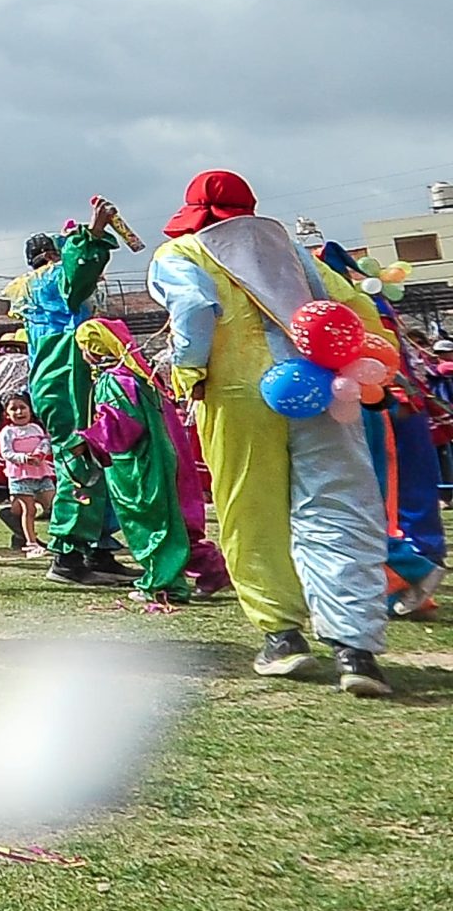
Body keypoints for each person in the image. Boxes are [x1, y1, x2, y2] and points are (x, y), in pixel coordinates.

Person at [146, 170, 392, 697]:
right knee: (339, 506)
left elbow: (191, 311)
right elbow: (357, 308)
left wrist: (189, 371)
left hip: (237, 394)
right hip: (326, 387)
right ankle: (356, 649)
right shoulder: (293, 249)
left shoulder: (180, 254)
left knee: (250, 512)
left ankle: (283, 637)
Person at [20, 214, 136, 587]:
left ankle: (97, 550)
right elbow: (76, 279)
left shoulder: (40, 286)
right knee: (79, 461)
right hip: (64, 382)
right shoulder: (46, 280)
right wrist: (96, 232)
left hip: (70, 380)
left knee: (97, 460)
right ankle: (67, 557)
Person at [68, 320, 195, 602]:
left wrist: (87, 440)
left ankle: (161, 584)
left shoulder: (115, 380)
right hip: (154, 457)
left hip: (137, 465)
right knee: (163, 519)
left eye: (84, 347)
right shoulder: (138, 376)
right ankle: (168, 580)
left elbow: (122, 428)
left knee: (149, 521)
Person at [0, 396, 56, 555]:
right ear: (6, 414)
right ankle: (31, 542)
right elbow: (6, 453)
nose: (19, 412)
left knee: (53, 504)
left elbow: (45, 442)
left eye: (22, 407)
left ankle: (59, 538)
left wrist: (40, 453)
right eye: (13, 409)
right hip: (20, 475)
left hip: (41, 472)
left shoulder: (36, 428)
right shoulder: (7, 432)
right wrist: (24, 458)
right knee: (29, 510)